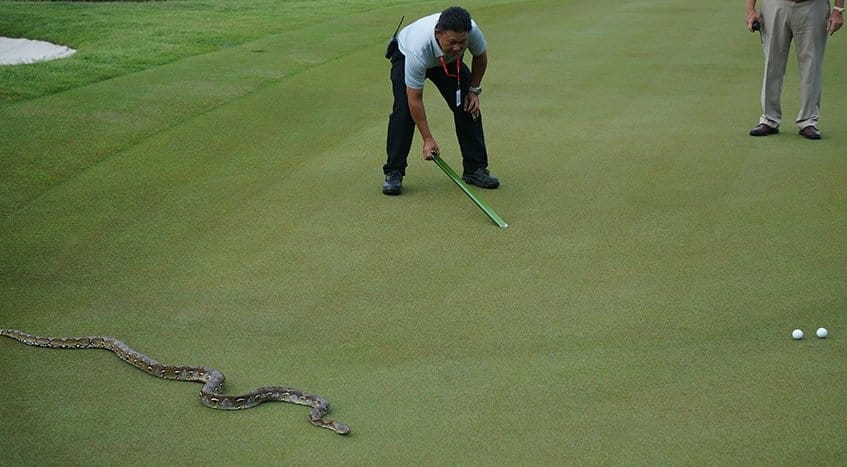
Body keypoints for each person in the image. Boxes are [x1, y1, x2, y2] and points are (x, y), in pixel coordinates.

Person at [382, 6, 499, 195]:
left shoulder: (472, 30)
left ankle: (475, 169)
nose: (458, 47)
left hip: (449, 62)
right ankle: (394, 171)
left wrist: (473, 90)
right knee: (404, 111)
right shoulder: (417, 49)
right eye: (452, 42)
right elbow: (415, 99)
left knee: (468, 106)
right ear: (438, 33)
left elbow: (480, 56)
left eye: (462, 42)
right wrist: (428, 139)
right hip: (405, 56)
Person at [746, 0, 843, 140]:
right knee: (772, 63)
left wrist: (838, 9)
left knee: (812, 64)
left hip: (814, 5)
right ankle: (769, 119)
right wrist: (750, 8)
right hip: (775, 4)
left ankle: (808, 121)